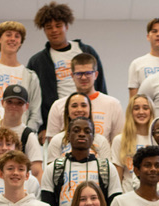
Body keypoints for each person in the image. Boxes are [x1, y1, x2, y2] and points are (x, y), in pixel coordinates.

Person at [28, 1, 108, 138]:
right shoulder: (37, 61)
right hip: (58, 118)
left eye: (58, 26)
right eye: (49, 27)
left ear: (66, 26)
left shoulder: (86, 51)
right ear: (44, 30)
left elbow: (100, 84)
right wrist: (43, 127)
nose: (54, 30)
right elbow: (34, 98)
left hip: (89, 113)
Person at [40, 117, 120, 206]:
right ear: (68, 135)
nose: (82, 134)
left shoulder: (107, 168)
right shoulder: (54, 168)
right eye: (76, 130)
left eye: (87, 131)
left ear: (93, 137)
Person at [45, 53, 123, 142]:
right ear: (72, 76)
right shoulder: (58, 105)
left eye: (88, 73)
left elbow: (118, 143)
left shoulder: (113, 104)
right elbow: (53, 143)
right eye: (79, 74)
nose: (83, 77)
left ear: (96, 75)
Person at [0, 20, 43, 132]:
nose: (13, 39)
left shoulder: (30, 76)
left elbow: (35, 112)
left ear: (20, 42)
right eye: (8, 35)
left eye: (17, 36)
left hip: (21, 136)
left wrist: (26, 135)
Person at [112, 95, 156, 188]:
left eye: (145, 108)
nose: (141, 112)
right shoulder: (120, 140)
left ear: (151, 111)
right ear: (130, 112)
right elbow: (117, 177)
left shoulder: (157, 139)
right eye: (136, 108)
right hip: (128, 195)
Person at [128, 18, 159, 98]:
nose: (158, 34)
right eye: (154, 31)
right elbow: (133, 100)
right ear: (148, 36)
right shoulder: (137, 64)